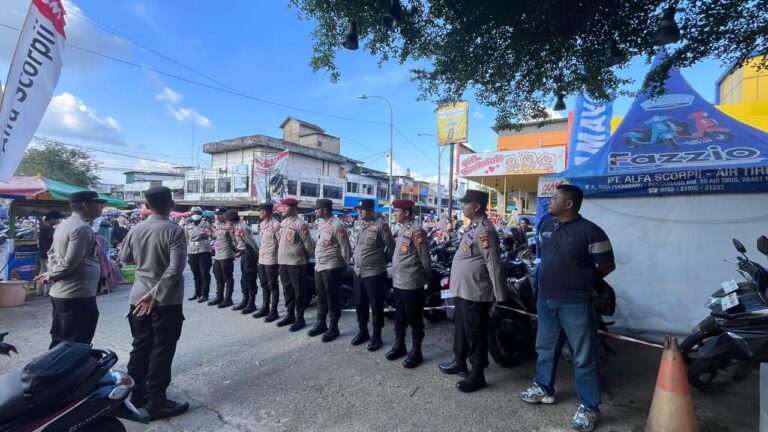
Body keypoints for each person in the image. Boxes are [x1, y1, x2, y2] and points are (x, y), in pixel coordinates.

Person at [517, 184, 615, 432]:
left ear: (569, 204)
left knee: (583, 357)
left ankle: (590, 407)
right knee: (545, 348)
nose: (550, 201)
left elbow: (607, 265)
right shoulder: (546, 226)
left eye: (555, 197)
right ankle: (543, 388)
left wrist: (583, 280)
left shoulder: (592, 232)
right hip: (546, 299)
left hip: (576, 303)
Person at [120, 186, 189, 420]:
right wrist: (156, 294)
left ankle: (135, 394)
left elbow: (124, 259)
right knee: (162, 349)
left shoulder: (136, 229)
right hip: (164, 302)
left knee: (140, 347)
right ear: (171, 204)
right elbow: (175, 268)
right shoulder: (174, 231)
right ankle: (157, 401)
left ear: (147, 206)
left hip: (137, 298)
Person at [438, 190, 507, 392]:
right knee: (461, 329)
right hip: (463, 290)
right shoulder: (472, 228)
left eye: (466, 203)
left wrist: (499, 295)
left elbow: (493, 264)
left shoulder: (486, 231)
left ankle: (477, 375)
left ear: (476, 206)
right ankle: (459, 362)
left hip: (476, 292)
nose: (463, 206)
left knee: (475, 334)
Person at [35, 192, 104, 349]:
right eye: (98, 204)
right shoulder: (81, 228)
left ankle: (55, 371)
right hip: (76, 295)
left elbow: (51, 253)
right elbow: (71, 262)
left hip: (65, 293)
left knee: (61, 339)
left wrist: (51, 272)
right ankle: (61, 373)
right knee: (74, 345)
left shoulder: (63, 226)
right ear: (86, 205)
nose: (101, 208)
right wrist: (52, 274)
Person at [386, 199, 431, 368]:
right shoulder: (401, 229)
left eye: (397, 211)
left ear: (406, 212)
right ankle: (400, 346)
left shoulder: (417, 230)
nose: (395, 213)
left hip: (412, 283)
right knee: (400, 317)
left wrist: (426, 278)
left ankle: (416, 351)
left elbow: (424, 257)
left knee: (414, 318)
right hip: (398, 282)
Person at [350, 199, 394, 351]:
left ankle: (377, 335)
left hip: (374, 272)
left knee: (376, 306)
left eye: (362, 209)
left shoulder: (381, 226)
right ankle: (363, 332)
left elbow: (391, 247)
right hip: (358, 272)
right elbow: (355, 245)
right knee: (360, 304)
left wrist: (383, 261)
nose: (360, 212)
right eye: (359, 209)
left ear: (371, 209)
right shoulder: (357, 225)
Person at [308, 199, 350, 342]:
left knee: (332, 297)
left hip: (332, 267)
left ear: (324, 210)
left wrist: (344, 265)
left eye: (317, 209)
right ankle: (321, 323)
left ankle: (333, 327)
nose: (315, 211)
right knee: (321, 296)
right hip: (320, 266)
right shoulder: (322, 224)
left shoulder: (337, 225)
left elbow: (345, 247)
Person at [276, 198, 314, 332]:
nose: (283, 209)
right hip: (283, 262)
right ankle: (290, 315)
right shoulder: (284, 222)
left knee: (299, 291)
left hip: (296, 263)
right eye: (283, 207)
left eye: (286, 207)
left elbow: (309, 246)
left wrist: (304, 259)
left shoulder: (301, 224)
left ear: (293, 208)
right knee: (287, 290)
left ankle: (300, 318)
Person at [227, 210, 260, 314]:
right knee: (244, 278)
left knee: (250, 278)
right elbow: (235, 243)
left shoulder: (242, 227)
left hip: (249, 254)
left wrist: (257, 254)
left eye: (228, 220)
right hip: (244, 254)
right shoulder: (236, 228)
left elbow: (252, 242)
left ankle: (251, 303)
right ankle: (245, 300)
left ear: (231, 220)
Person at [254, 202, 281, 321]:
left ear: (265, 212)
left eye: (260, 211)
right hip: (262, 259)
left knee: (272, 286)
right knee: (264, 285)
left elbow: (281, 244)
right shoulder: (262, 224)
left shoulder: (276, 225)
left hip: (272, 260)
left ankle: (274, 311)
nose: (259, 213)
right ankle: (265, 307)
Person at [184, 207, 214, 302]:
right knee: (195, 273)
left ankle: (205, 294)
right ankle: (197, 292)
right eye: (194, 213)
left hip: (204, 250)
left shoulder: (206, 224)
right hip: (192, 251)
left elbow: (213, 236)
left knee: (204, 273)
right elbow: (185, 239)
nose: (195, 214)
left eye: (197, 213)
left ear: (201, 214)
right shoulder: (187, 226)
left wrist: (209, 233)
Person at [209, 207, 236, 308]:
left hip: (226, 254)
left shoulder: (230, 225)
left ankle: (228, 299)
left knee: (227, 277)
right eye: (216, 214)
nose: (218, 216)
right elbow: (215, 237)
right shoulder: (216, 225)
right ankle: (219, 296)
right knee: (218, 276)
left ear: (225, 214)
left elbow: (235, 240)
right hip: (217, 254)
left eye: (220, 214)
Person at [36, 210, 63, 296]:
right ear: (51, 219)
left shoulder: (42, 227)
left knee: (42, 271)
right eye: (57, 219)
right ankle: (47, 292)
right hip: (49, 254)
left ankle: (39, 290)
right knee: (50, 272)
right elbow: (53, 241)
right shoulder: (49, 229)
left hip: (42, 253)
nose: (58, 222)